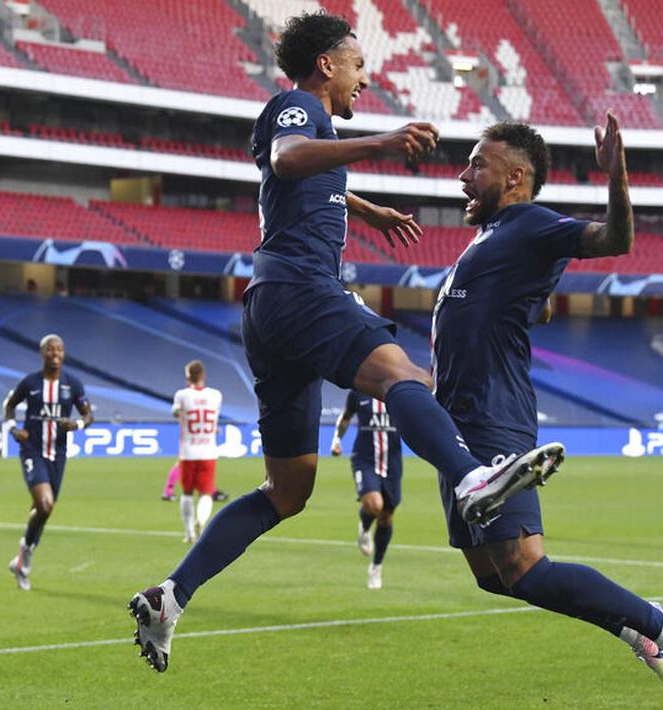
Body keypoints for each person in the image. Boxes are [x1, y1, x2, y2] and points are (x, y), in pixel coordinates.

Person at [130, 11, 562, 673]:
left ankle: (172, 593)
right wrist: (384, 143)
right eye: (359, 65)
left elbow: (298, 180)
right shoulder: (299, 106)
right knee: (407, 380)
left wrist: (365, 209)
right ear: (327, 65)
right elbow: (288, 159)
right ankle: (472, 478)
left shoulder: (314, 127)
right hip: (302, 288)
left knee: (286, 490)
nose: (366, 78)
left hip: (271, 308)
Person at [426, 118, 663, 699]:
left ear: (514, 178)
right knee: (493, 578)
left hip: (492, 416)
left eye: (476, 165)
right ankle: (637, 630)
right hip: (456, 426)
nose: (463, 176)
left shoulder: (530, 221)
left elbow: (614, 239)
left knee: (527, 567)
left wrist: (618, 177)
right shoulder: (490, 237)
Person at [2, 334, 93, 590]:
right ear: (42, 353)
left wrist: (75, 424)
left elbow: (88, 415)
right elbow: (9, 406)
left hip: (58, 454)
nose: (55, 353)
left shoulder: (73, 384)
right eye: (50, 349)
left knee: (42, 512)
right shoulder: (30, 383)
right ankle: (25, 561)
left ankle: (20, 560)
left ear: (63, 354)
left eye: (60, 349)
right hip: (32, 449)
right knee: (45, 504)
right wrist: (13, 429)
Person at [331, 390, 401, 589]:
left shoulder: (399, 392)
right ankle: (364, 525)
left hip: (393, 463)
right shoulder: (358, 393)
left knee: (387, 516)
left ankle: (376, 566)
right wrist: (336, 440)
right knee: (374, 505)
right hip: (364, 459)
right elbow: (345, 417)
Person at [172, 360, 223, 543]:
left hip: (188, 451)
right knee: (206, 493)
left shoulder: (182, 395)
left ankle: (188, 533)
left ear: (188, 377)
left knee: (186, 493)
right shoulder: (216, 395)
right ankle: (201, 522)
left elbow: (177, 413)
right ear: (203, 376)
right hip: (209, 451)